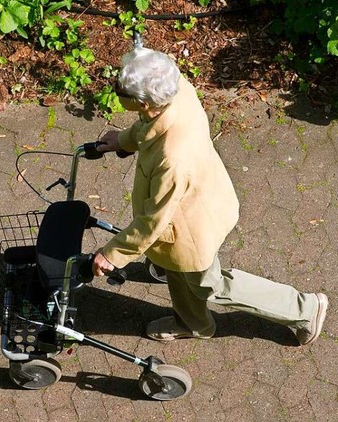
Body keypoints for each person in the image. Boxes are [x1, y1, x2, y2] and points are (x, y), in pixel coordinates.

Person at [91, 47, 328, 345]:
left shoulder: (172, 158)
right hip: (208, 197)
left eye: (121, 89)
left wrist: (113, 254)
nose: (116, 89)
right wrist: (124, 141)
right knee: (178, 270)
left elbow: (153, 222)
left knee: (210, 285)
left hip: (190, 232)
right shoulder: (177, 89)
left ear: (140, 101)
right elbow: (148, 123)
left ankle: (304, 309)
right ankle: (190, 318)